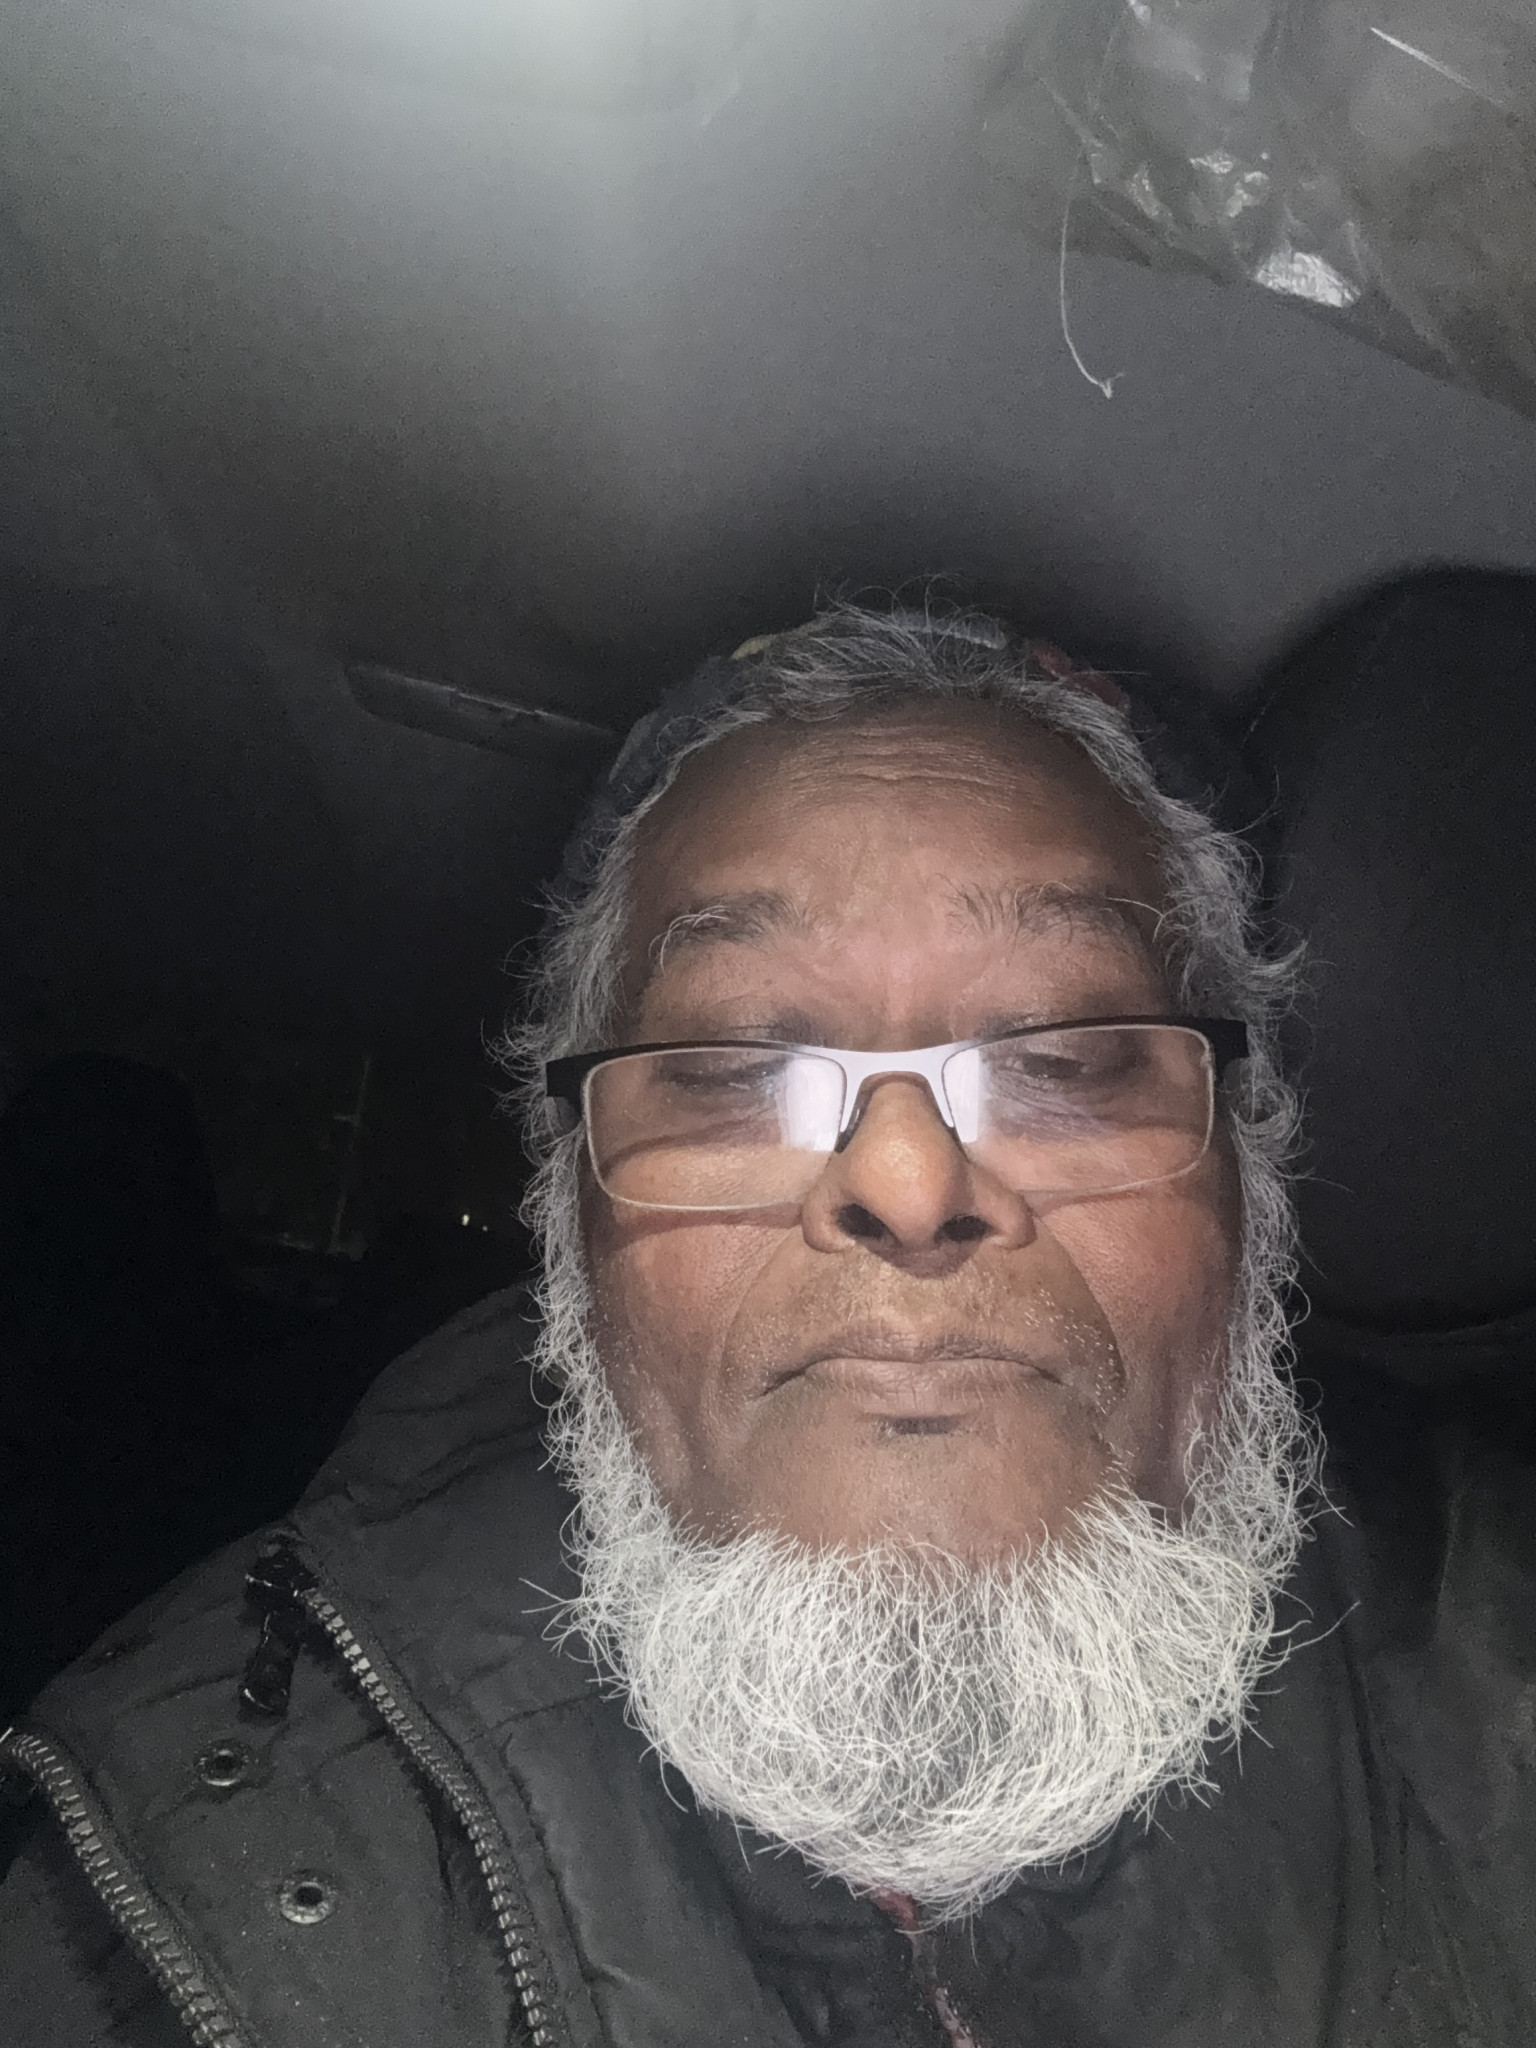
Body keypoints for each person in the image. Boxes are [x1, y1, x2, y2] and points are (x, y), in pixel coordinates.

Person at [1, 606, 1532, 2046]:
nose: (908, 1181)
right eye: (737, 1073)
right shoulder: (175, 1895)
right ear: (572, 1231)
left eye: (1064, 1058)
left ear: (1250, 1189)